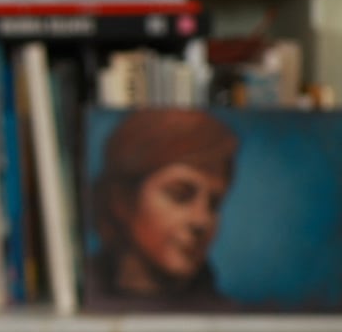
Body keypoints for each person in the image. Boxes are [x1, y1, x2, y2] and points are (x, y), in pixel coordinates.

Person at [86, 105, 241, 308]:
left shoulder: (231, 315)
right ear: (122, 200)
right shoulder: (80, 296)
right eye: (179, 195)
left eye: (214, 204)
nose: (202, 220)